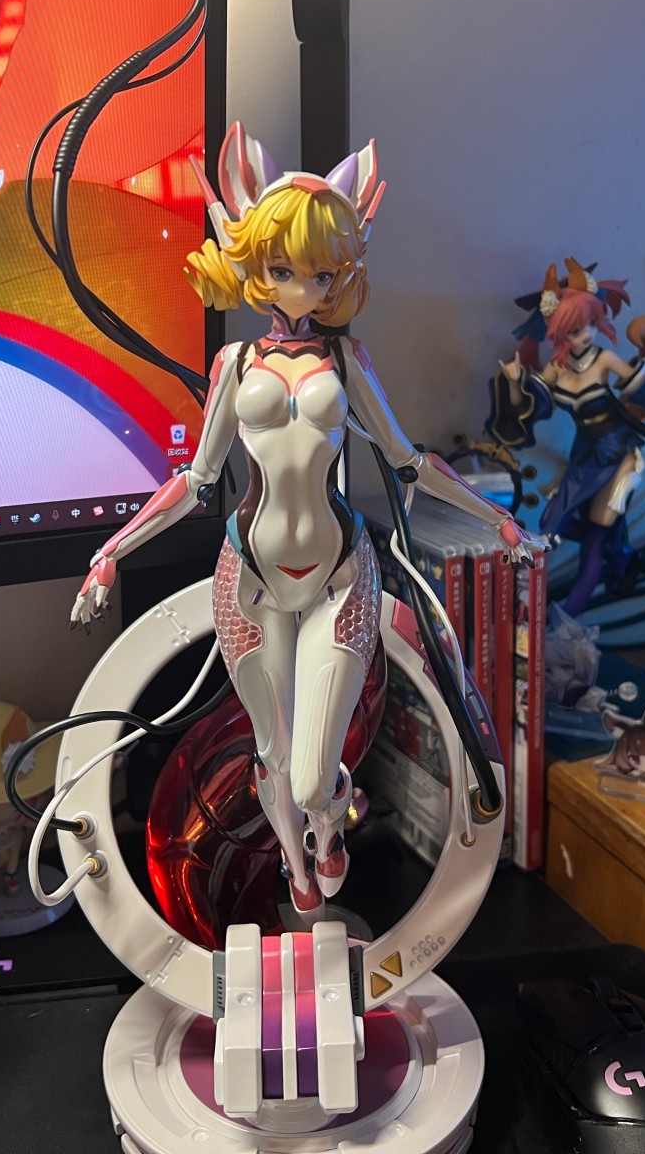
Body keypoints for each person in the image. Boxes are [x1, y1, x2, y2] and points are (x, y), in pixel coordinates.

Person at [72, 123, 543, 913]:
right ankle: (298, 858)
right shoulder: (234, 365)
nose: (301, 288)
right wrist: (111, 552)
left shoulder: (346, 361)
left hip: (337, 576)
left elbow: (407, 460)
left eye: (321, 273)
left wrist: (497, 519)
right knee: (272, 754)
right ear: (255, 260)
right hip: (250, 577)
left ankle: (326, 823)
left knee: (313, 775)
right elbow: (195, 480)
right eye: (285, 269)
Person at [489, 258, 645, 614]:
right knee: (551, 525)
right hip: (584, 456)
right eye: (575, 329)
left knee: (592, 544)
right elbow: (531, 408)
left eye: (590, 324)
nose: (586, 334)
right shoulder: (556, 368)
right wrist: (512, 383)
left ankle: (565, 619)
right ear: (559, 332)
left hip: (617, 454)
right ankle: (622, 557)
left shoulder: (604, 360)